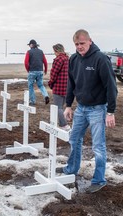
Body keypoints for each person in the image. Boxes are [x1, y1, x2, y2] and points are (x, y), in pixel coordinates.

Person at [59, 29, 118, 193]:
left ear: (90, 41)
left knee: (98, 146)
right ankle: (71, 169)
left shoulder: (101, 59)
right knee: (74, 139)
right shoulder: (73, 59)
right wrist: (69, 105)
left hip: (98, 109)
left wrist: (110, 112)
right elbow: (71, 84)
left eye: (82, 43)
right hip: (81, 108)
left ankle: (99, 180)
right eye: (76, 44)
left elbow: (111, 87)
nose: (79, 47)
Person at [48, 44, 70, 131]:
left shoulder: (58, 59)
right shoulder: (68, 59)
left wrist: (51, 83)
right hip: (67, 86)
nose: (54, 53)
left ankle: (64, 125)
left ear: (57, 51)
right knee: (62, 106)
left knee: (58, 107)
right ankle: (63, 122)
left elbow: (54, 73)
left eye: (54, 51)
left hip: (59, 86)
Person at [24, 39, 49, 105]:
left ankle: (32, 101)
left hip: (32, 71)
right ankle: (46, 95)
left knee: (31, 86)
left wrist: (28, 70)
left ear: (31, 45)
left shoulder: (29, 52)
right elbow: (45, 62)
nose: (29, 46)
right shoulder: (41, 52)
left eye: (29, 45)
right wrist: (45, 70)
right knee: (41, 85)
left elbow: (26, 63)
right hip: (40, 71)